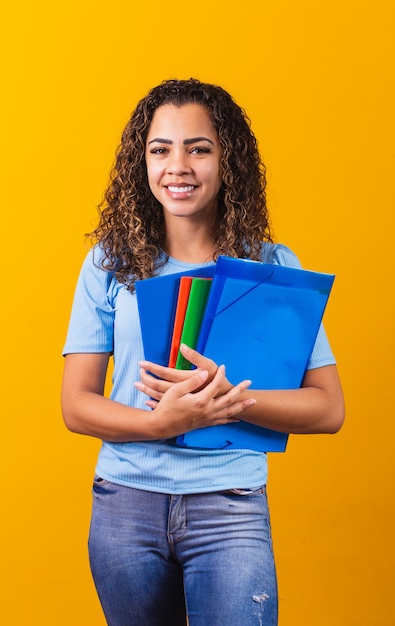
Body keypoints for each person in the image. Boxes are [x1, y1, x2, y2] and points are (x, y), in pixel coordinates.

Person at [61, 78, 344, 626]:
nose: (178, 166)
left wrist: (228, 402)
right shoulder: (109, 264)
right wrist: (161, 423)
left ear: (227, 160)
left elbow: (328, 409)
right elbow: (75, 404)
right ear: (141, 163)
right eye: (160, 150)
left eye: (199, 148)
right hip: (125, 508)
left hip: (229, 504)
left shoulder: (272, 269)